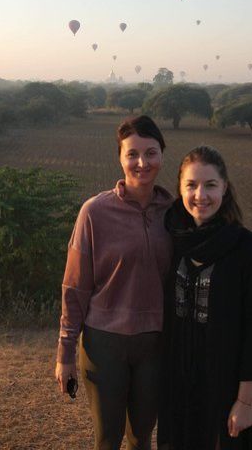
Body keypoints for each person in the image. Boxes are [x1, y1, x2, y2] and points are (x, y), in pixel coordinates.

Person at [54, 115, 174, 450]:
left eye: (150, 153)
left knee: (141, 437)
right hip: (104, 342)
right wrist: (65, 353)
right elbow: (75, 287)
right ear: (120, 158)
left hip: (155, 342)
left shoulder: (176, 212)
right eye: (132, 154)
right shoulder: (95, 212)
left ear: (162, 155)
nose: (142, 162)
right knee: (107, 438)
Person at [158, 145, 252, 450]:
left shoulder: (250, 250)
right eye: (191, 186)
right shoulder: (173, 241)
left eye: (210, 185)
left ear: (225, 187)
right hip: (179, 383)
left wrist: (245, 402)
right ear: (180, 190)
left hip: (227, 385)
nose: (201, 195)